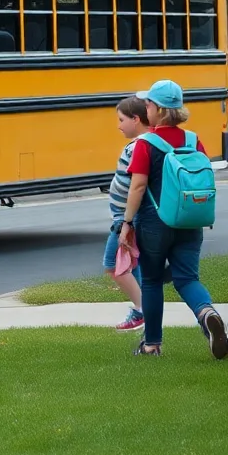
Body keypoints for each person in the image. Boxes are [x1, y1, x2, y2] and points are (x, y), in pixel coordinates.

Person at [121, 79, 226, 358]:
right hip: (191, 220)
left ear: (158, 109)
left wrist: (127, 223)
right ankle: (207, 313)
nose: (146, 108)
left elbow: (138, 186)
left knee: (152, 280)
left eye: (148, 104)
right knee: (187, 278)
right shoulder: (193, 140)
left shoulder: (146, 143)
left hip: (155, 223)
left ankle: (152, 344)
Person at [106, 97, 147, 331]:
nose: (119, 125)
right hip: (124, 217)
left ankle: (142, 310)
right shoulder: (140, 144)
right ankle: (144, 310)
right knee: (133, 266)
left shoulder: (137, 147)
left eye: (122, 120)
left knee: (113, 265)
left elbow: (137, 185)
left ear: (136, 119)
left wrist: (126, 222)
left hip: (126, 217)